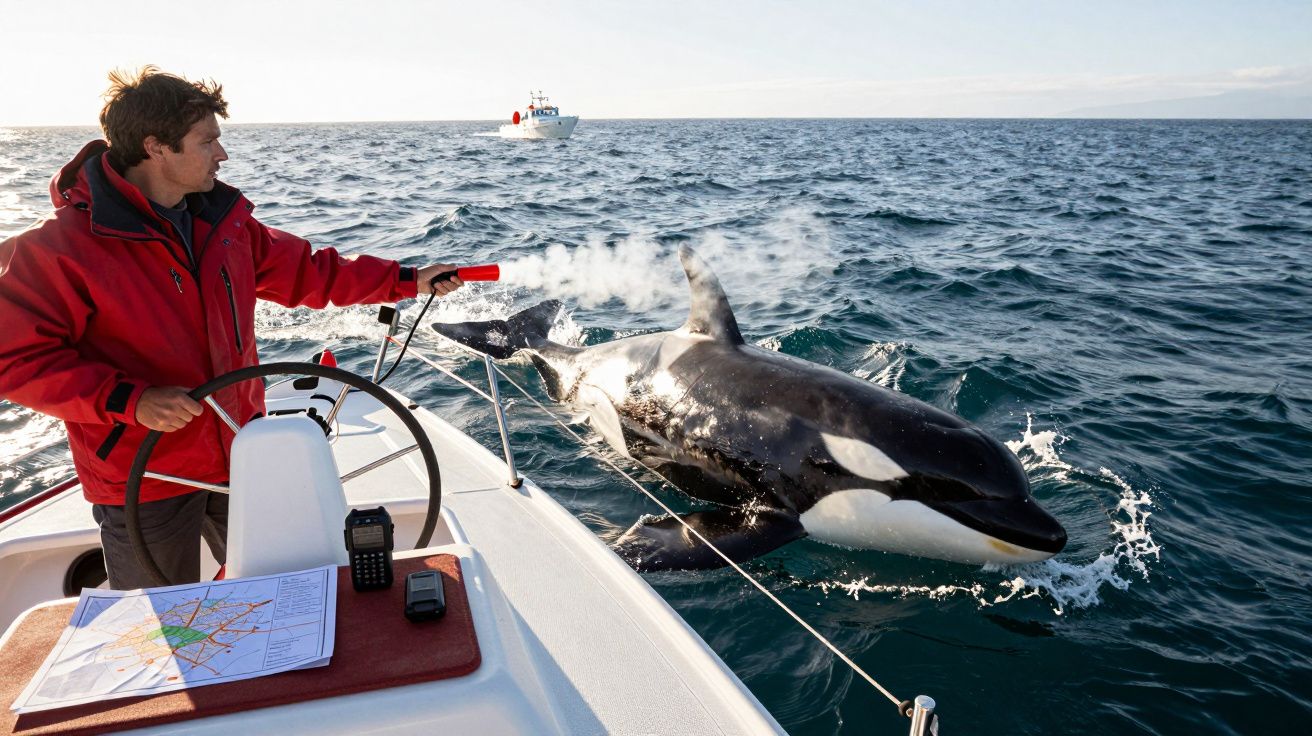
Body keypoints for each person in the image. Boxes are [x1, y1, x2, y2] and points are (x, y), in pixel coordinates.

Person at [0, 66, 463, 589]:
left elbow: (311, 271)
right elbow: (14, 360)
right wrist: (132, 400)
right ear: (156, 148)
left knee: (287, 594)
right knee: (156, 628)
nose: (222, 155)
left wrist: (406, 280)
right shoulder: (60, 248)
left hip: (240, 451)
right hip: (144, 471)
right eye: (208, 141)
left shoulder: (224, 224)